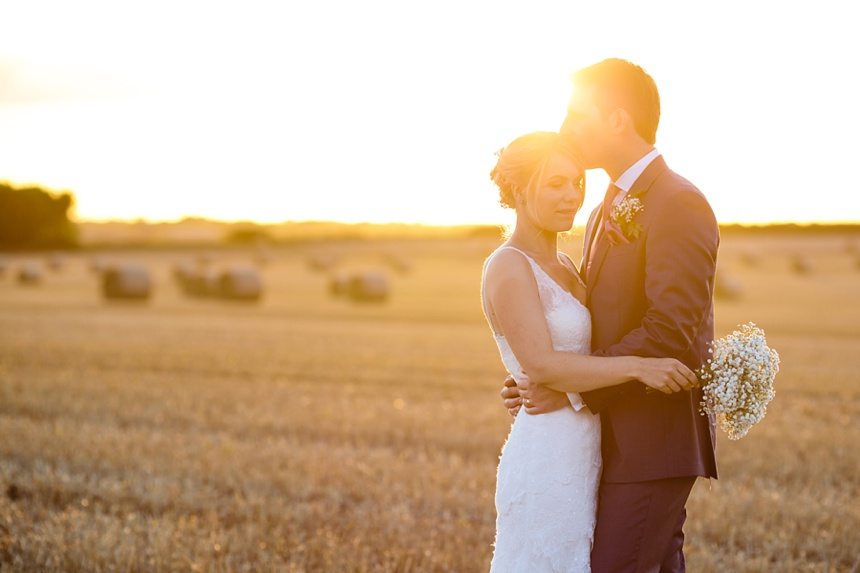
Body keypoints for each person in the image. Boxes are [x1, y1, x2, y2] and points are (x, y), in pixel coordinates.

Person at [500, 59, 719, 572]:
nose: (566, 128)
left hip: (652, 440)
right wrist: (536, 373)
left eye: (577, 114)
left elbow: (669, 331)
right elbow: (592, 319)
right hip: (607, 439)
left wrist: (572, 386)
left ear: (618, 120)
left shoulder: (677, 202)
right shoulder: (602, 209)